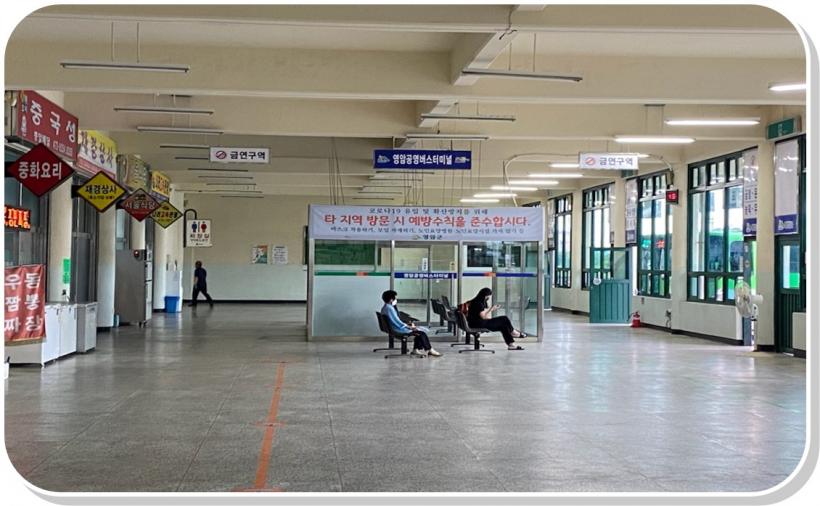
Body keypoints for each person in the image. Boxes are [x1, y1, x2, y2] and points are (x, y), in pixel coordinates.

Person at [380, 290, 441, 357]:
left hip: (394, 328)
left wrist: (407, 324)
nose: (396, 300)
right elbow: (397, 322)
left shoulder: (386, 307)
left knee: (419, 332)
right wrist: (409, 327)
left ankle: (416, 350)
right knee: (421, 333)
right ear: (391, 299)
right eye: (395, 298)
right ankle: (430, 350)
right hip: (397, 329)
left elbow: (395, 320)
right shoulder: (389, 308)